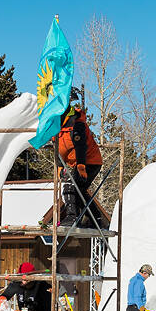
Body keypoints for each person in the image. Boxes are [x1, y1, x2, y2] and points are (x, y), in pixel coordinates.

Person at [54, 91, 103, 228]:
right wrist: (60, 165)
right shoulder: (58, 129)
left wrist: (81, 165)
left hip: (89, 161)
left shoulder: (77, 124)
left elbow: (81, 146)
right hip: (78, 163)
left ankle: (72, 218)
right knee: (79, 191)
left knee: (71, 187)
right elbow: (59, 149)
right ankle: (95, 219)